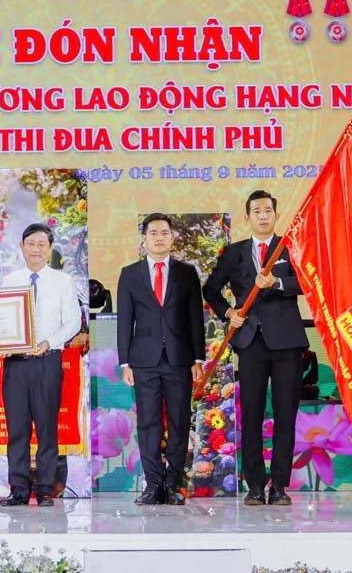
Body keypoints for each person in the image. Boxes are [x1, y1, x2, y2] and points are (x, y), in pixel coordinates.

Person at [202, 190, 306, 506]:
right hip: (249, 343)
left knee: (286, 415)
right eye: (256, 211)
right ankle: (256, 486)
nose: (263, 216)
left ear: (275, 215)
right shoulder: (233, 253)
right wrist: (229, 313)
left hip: (287, 342)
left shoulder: (290, 248)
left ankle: (279, 487)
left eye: (268, 211)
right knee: (252, 416)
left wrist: (277, 283)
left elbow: (307, 284)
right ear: (247, 217)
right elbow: (211, 289)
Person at [116, 214, 204, 506]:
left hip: (179, 359)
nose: (158, 237)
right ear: (144, 238)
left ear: (172, 237)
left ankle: (173, 484)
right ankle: (153, 485)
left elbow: (195, 318)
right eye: (153, 233)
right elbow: (125, 320)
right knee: (148, 423)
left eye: (164, 232)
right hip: (144, 360)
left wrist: (197, 358)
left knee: (179, 422)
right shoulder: (130, 273)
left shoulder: (186, 272)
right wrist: (125, 362)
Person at [0, 223, 81, 508]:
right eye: (30, 243)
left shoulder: (62, 281)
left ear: (49, 249)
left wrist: (48, 342)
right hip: (15, 365)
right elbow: (0, 320)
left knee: (47, 427)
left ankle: (46, 488)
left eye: (41, 244)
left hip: (47, 362)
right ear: (21, 247)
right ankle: (18, 489)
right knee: (17, 429)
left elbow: (72, 322)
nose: (36, 249)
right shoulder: (9, 281)